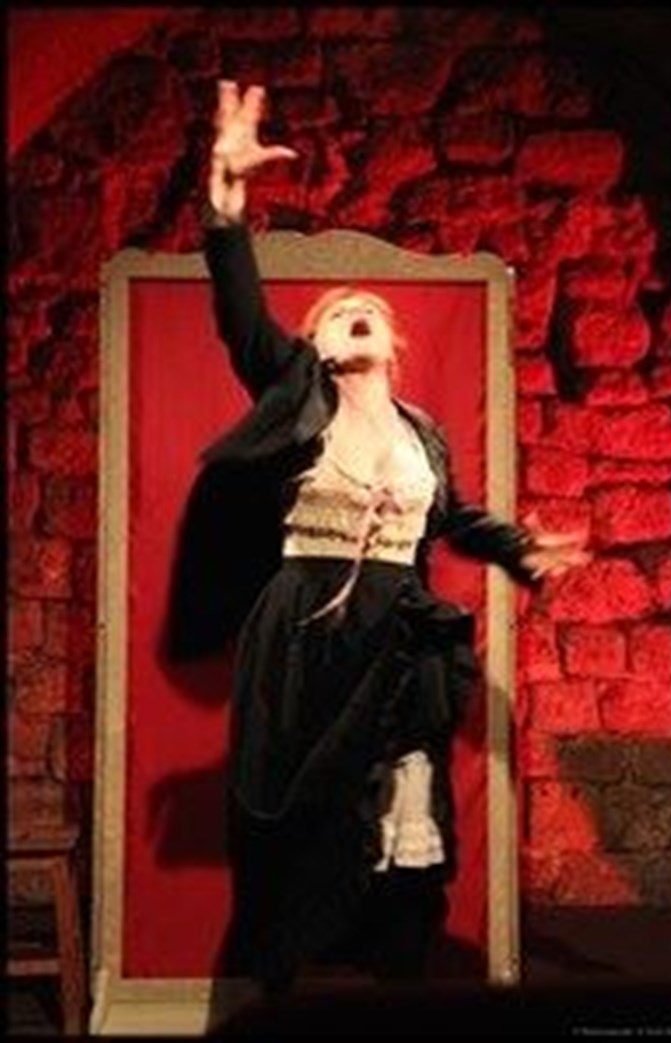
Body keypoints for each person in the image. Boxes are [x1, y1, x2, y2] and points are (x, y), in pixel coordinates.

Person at [176, 80, 590, 996]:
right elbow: (240, 314)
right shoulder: (296, 391)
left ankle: (388, 985)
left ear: (394, 343)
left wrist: (521, 548)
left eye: (368, 306)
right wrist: (226, 199)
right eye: (334, 310)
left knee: (400, 817)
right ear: (316, 345)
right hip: (306, 629)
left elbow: (454, 516)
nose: (353, 307)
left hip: (396, 631)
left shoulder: (422, 434)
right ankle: (284, 987)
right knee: (301, 818)